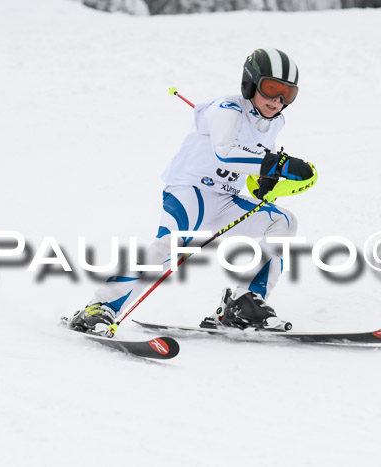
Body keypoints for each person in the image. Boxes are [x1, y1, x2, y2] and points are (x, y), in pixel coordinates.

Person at [68, 48, 315, 337]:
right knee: (169, 245)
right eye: (271, 89)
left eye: (288, 93)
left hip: (224, 201)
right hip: (189, 191)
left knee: (283, 221)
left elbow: (257, 163)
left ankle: (242, 303)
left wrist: (268, 180)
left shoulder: (275, 121)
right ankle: (98, 308)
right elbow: (225, 153)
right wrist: (277, 164)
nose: (278, 100)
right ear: (250, 84)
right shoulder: (227, 108)